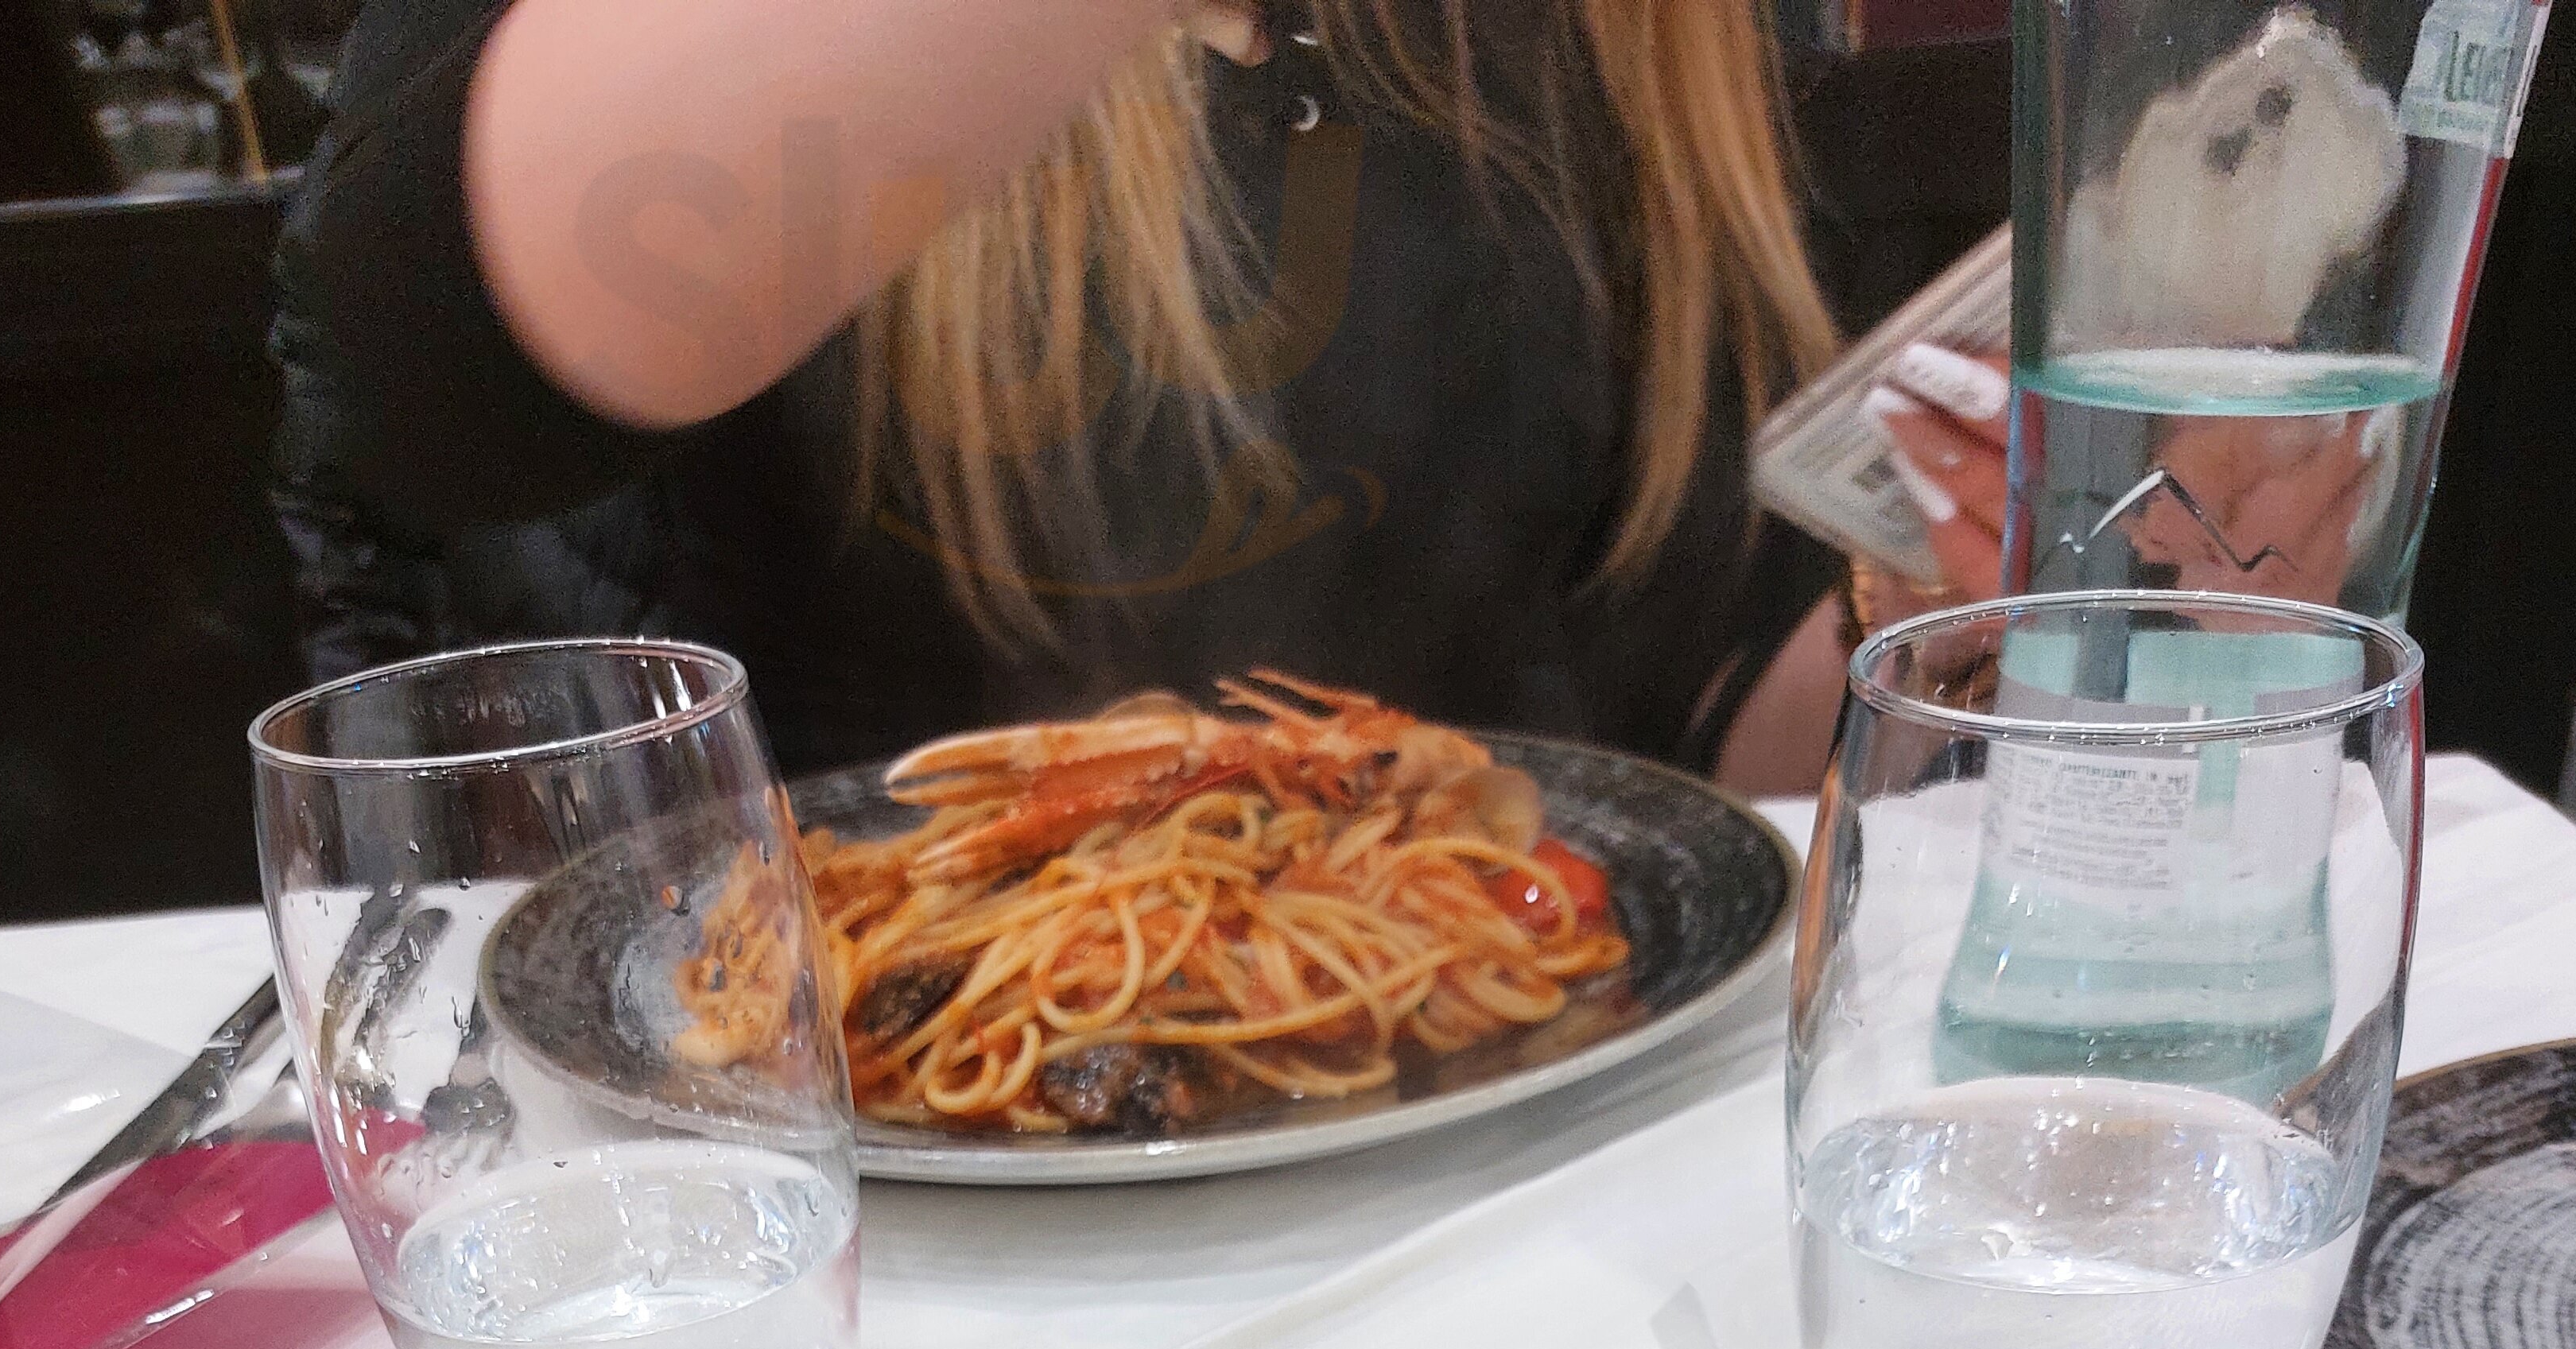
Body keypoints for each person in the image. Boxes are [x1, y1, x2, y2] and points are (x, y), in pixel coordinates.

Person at [274, 0, 1869, 790]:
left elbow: (1689, 748)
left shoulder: (1652, 43)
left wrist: (1940, 599)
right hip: (774, 1157)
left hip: (1506, 1147)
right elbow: (427, 358)